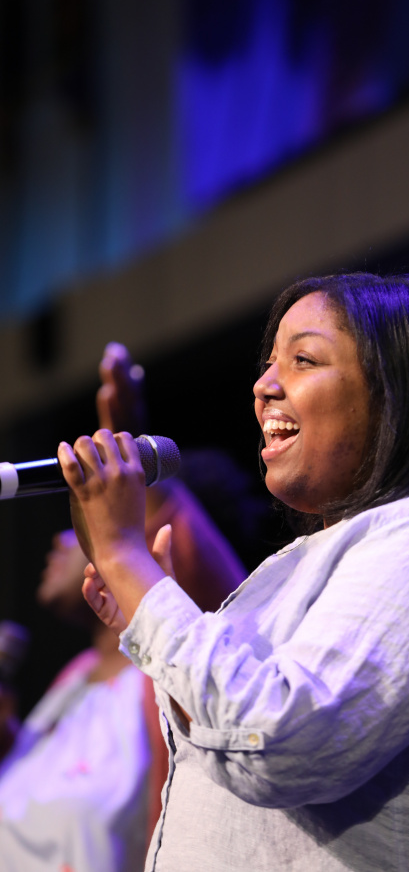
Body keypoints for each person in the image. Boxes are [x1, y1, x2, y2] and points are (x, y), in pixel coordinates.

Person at [57, 273, 409, 871]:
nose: (263, 386)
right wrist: (147, 609)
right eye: (269, 363)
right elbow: (233, 738)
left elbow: (275, 744)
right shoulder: (301, 568)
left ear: (396, 393)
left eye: (303, 359)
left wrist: (128, 560)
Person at [0, 344, 245, 872]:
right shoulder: (76, 676)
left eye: (84, 518)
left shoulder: (173, 676)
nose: (61, 538)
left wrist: (132, 443)